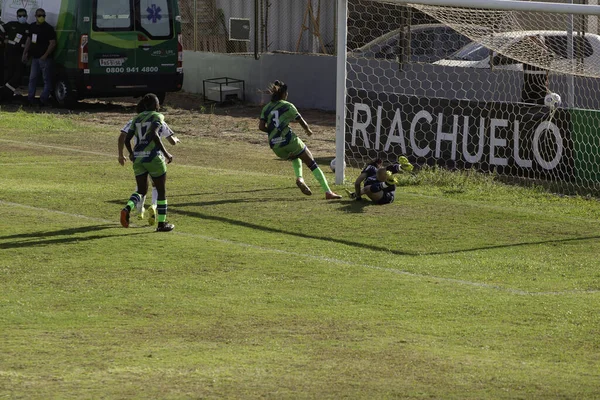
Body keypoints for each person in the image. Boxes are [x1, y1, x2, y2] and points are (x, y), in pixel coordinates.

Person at [259, 80, 342, 200]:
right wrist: (308, 130)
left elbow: (261, 127)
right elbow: (300, 120)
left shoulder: (266, 108)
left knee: (295, 156)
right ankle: (328, 192)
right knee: (311, 162)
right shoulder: (287, 106)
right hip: (289, 141)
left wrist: (273, 132)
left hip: (276, 147)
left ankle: (300, 178)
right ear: (283, 94)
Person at [119, 93, 175, 232]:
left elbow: (127, 139)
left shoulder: (136, 118)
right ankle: (161, 224)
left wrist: (131, 153)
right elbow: (154, 135)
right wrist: (166, 153)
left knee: (141, 190)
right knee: (161, 191)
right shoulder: (157, 116)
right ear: (156, 106)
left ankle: (127, 208)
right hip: (153, 157)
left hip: (138, 158)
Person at [22, 8, 56, 106]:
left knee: (46, 79)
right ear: (35, 16)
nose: (41, 17)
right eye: (39, 15)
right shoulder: (32, 26)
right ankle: (30, 98)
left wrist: (45, 55)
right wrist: (25, 53)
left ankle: (43, 99)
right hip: (35, 58)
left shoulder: (48, 28)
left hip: (45, 59)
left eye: (43, 16)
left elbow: (52, 43)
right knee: (32, 78)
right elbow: (29, 40)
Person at [347, 156, 413, 205]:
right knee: (380, 173)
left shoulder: (370, 167)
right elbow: (361, 190)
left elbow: (357, 183)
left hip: (381, 196)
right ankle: (399, 167)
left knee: (367, 187)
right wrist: (354, 194)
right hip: (390, 195)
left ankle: (387, 182)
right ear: (380, 164)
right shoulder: (379, 172)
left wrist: (358, 197)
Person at [2, 9, 29, 100]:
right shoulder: (11, 25)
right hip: (9, 53)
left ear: (27, 16)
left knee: (18, 75)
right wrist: (3, 40)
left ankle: (6, 92)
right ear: (17, 16)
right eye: (20, 15)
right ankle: (6, 95)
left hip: (21, 54)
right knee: (8, 73)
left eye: (24, 15)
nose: (22, 17)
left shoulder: (29, 28)